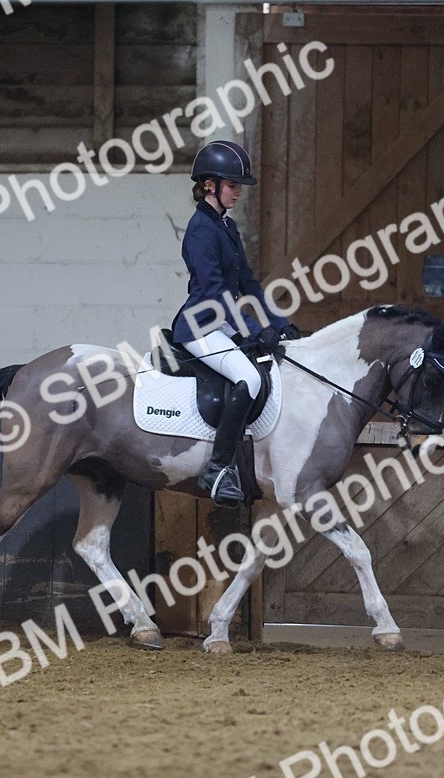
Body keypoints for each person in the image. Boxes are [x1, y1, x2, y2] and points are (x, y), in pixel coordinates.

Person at [171, 140, 300, 507]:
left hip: (221, 322)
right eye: (233, 185)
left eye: (239, 186)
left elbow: (247, 283)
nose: (239, 192)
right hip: (200, 324)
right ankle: (216, 468)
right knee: (249, 378)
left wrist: (279, 323)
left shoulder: (226, 226)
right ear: (209, 185)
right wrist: (255, 331)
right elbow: (215, 294)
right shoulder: (200, 230)